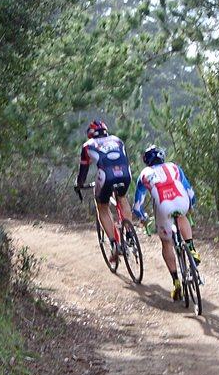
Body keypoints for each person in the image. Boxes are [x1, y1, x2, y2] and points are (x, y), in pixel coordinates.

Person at [132, 145, 200, 301]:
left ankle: (176, 282)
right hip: (182, 200)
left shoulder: (144, 174)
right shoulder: (174, 167)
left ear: (147, 161)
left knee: (166, 243)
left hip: (163, 206)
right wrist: (192, 205)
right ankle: (191, 248)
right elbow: (190, 191)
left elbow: (137, 205)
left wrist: (142, 216)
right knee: (182, 216)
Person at [75, 119, 134, 268]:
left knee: (102, 206)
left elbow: (83, 170)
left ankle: (114, 243)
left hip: (106, 175)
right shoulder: (118, 140)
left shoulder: (88, 146)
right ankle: (130, 233)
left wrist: (80, 184)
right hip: (125, 173)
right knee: (121, 198)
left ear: (90, 134)